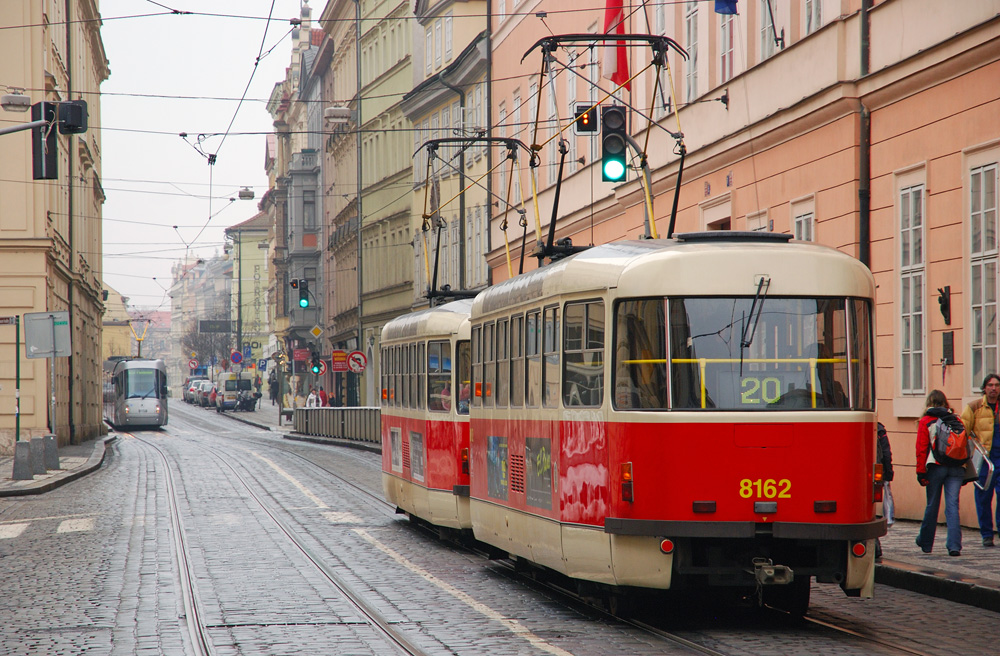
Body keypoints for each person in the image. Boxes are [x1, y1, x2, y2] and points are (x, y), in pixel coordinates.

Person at [915, 390, 967, 556]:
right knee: (952, 506)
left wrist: (921, 472)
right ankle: (954, 546)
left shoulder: (926, 421)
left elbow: (921, 449)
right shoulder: (956, 419)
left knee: (932, 505)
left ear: (928, 403)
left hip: (936, 467)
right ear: (946, 403)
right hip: (956, 467)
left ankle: (926, 543)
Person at [961, 373, 1000, 547]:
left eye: (997, 385)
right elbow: (963, 432)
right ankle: (986, 533)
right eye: (990, 385)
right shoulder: (974, 407)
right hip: (984, 459)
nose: (994, 388)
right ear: (984, 388)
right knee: (983, 497)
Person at [874, 422, 894, 561]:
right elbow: (886, 453)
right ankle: (875, 545)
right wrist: (888, 473)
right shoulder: (878, 429)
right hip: (874, 471)